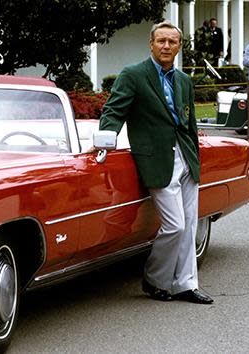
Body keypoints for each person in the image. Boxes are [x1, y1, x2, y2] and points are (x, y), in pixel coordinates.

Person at [99, 21, 213, 304]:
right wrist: (105, 137)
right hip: (156, 160)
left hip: (186, 158)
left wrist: (195, 158)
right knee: (174, 225)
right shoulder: (134, 75)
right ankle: (155, 279)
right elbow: (114, 110)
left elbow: (188, 122)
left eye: (172, 42)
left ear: (179, 46)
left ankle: (186, 284)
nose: (166, 46)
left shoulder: (184, 80)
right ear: (151, 44)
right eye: (161, 41)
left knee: (189, 225)